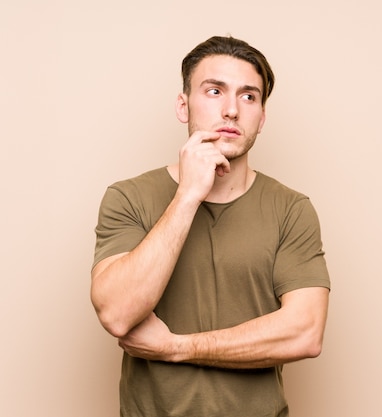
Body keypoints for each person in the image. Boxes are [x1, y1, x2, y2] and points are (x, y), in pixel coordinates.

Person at [90, 35, 331, 417]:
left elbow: (305, 332)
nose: (232, 110)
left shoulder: (292, 209)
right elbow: (118, 312)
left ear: (262, 117)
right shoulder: (128, 197)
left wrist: (177, 347)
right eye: (214, 91)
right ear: (183, 106)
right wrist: (187, 195)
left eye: (249, 96)